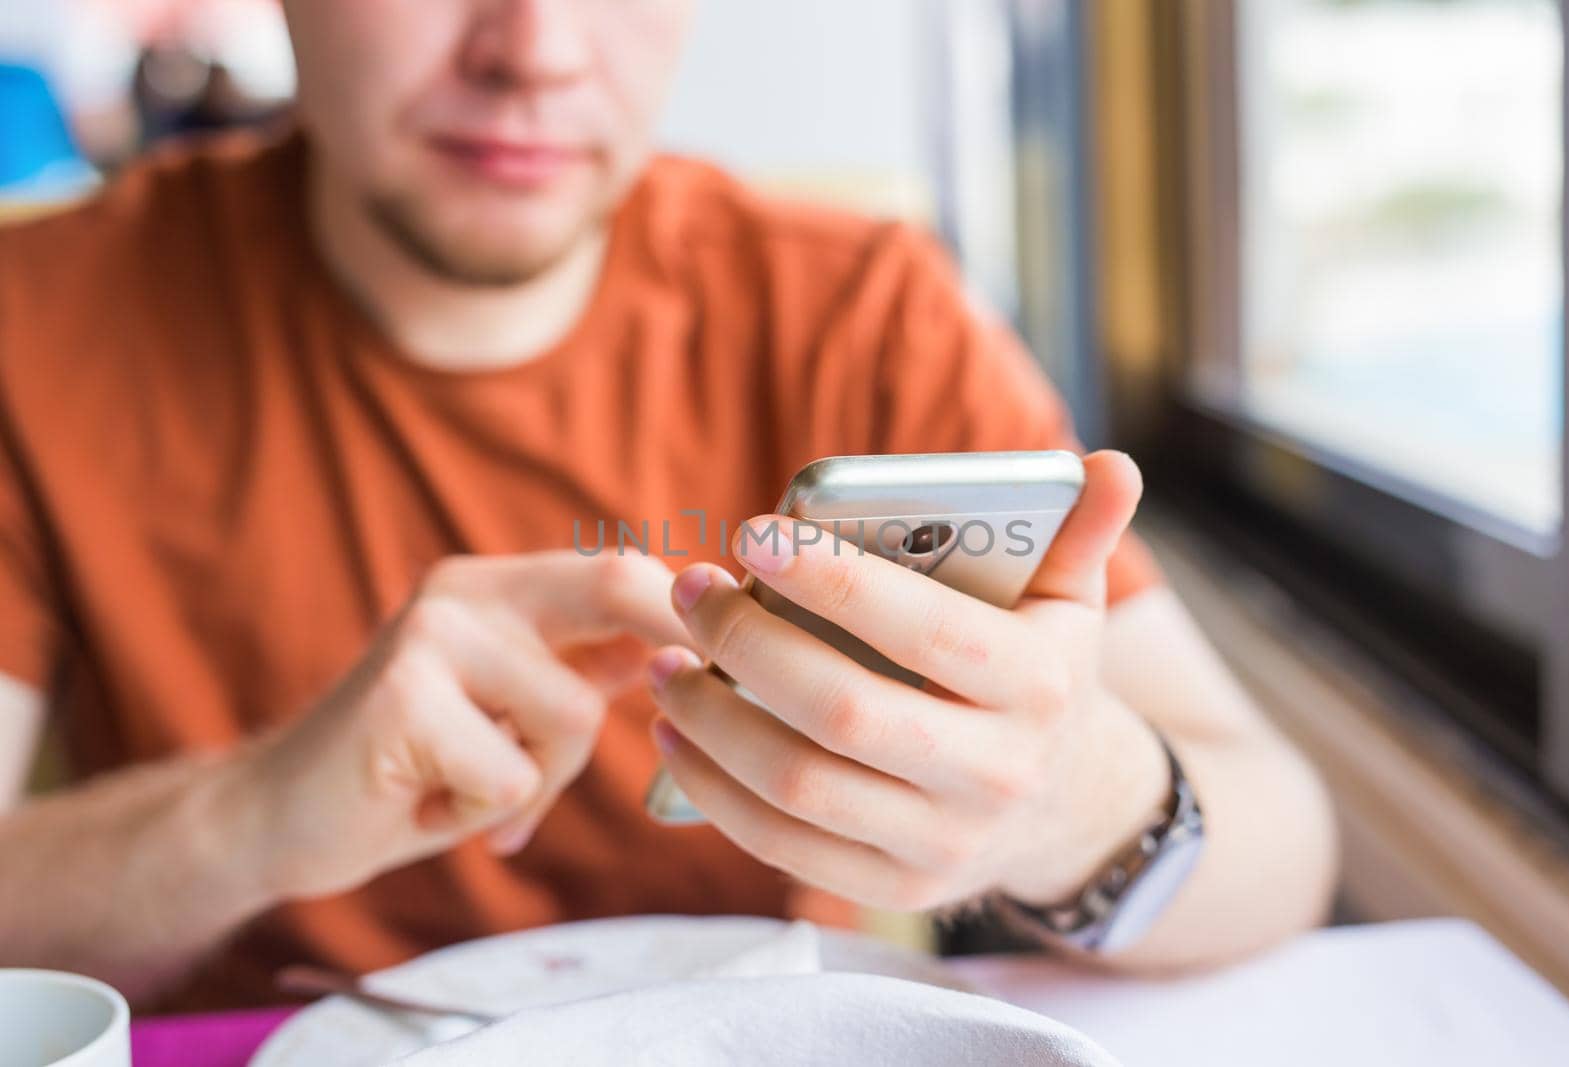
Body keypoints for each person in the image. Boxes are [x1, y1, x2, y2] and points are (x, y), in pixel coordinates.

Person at [0, 0, 1337, 1011]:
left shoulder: (863, 311)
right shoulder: (38, 321)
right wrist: (251, 817)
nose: (536, 52)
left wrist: (1062, 806)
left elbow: (1286, 845)